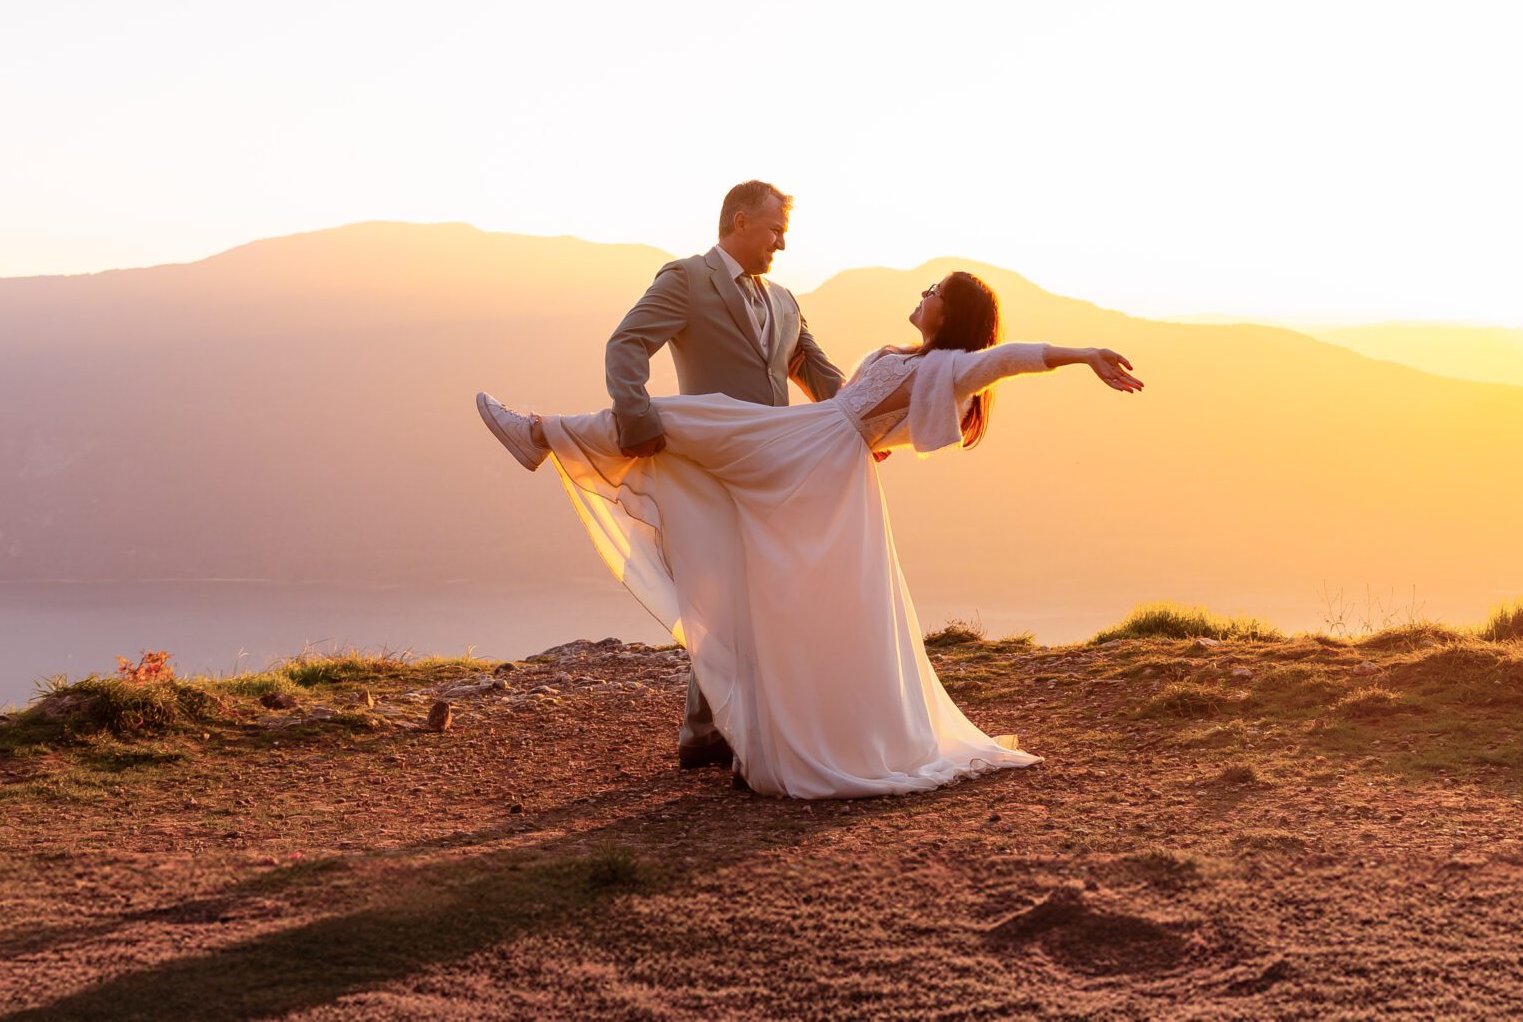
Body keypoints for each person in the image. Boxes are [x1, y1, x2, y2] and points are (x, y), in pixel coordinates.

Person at [476, 264, 1143, 799]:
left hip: (816, 455)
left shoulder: (949, 366)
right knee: (696, 445)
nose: (922, 292)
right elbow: (844, 393)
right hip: (814, 445)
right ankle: (770, 737)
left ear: (955, 313)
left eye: (934, 290)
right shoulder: (903, 355)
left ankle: (541, 433)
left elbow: (1006, 359)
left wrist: (1083, 353)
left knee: (687, 419)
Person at [598, 179, 845, 769]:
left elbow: (816, 369)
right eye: (774, 230)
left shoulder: (784, 299)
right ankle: (725, 731)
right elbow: (626, 343)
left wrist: (862, 424)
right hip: (708, 467)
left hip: (775, 472)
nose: (781, 244)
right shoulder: (685, 279)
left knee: (758, 590)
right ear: (739, 222)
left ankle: (705, 730)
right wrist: (636, 417)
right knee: (724, 592)